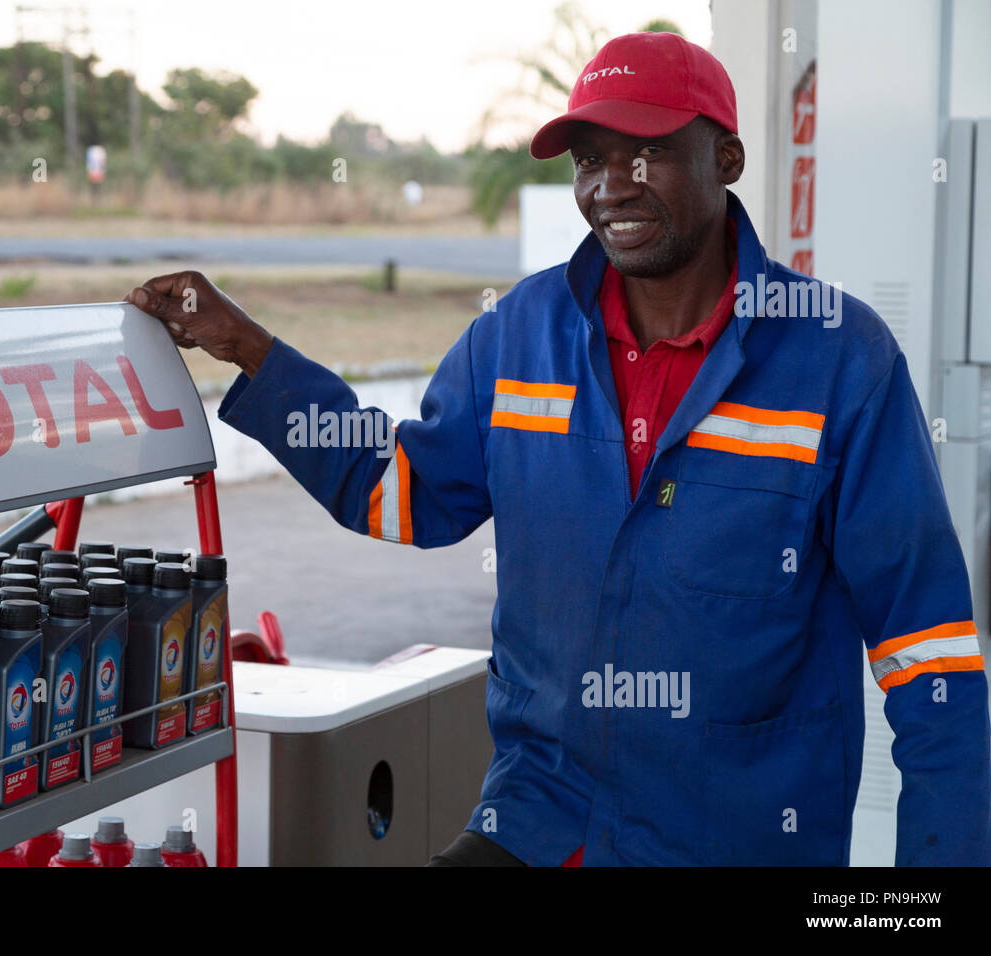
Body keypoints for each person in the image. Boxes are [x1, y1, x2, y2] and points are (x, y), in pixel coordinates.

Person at [126, 31, 990, 866]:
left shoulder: (839, 359)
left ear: (724, 158)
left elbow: (932, 655)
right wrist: (247, 346)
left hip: (737, 836)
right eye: (589, 159)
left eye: (643, 153)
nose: (611, 185)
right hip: (540, 821)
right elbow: (396, 492)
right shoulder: (515, 338)